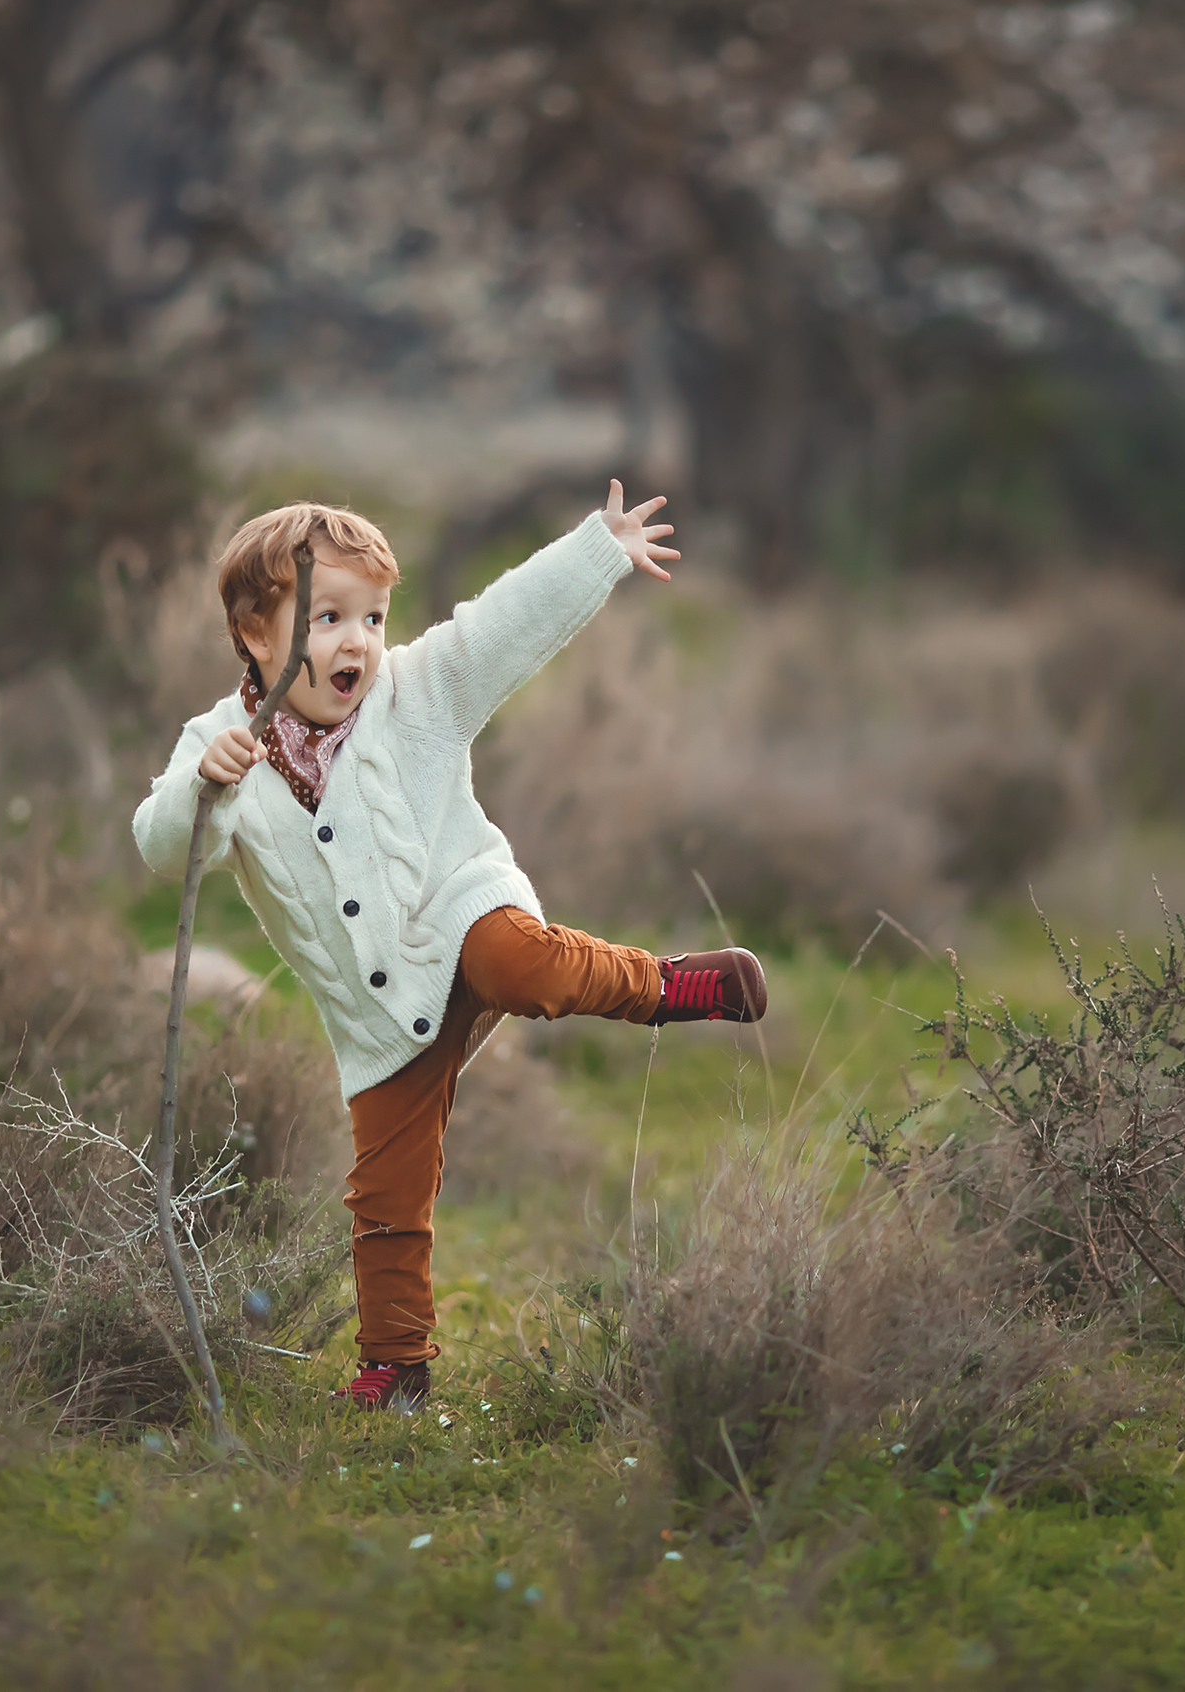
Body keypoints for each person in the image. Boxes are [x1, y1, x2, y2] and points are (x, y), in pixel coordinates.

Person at [132, 482, 768, 1413]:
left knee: (524, 967)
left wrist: (597, 550)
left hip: (464, 911)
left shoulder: (417, 690)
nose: (358, 641)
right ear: (255, 635)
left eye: (372, 617)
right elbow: (160, 850)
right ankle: (397, 1367)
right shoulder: (217, 743)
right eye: (327, 618)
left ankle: (671, 987)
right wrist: (203, 786)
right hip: (378, 1018)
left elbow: (501, 624)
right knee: (385, 1197)